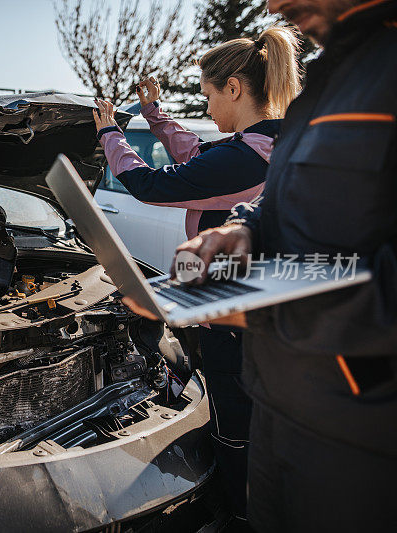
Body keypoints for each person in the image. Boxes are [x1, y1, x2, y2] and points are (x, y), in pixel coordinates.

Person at [122, 0, 397, 530]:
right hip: (279, 410)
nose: (272, 5)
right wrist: (243, 228)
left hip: (363, 444)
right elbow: (295, 196)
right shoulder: (332, 78)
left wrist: (269, 308)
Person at [91, 26, 300, 524]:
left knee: (235, 437)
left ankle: (239, 518)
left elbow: (146, 184)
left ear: (234, 88)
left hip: (235, 326)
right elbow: (198, 155)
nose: (206, 109)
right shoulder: (273, 144)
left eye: (208, 96)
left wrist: (108, 131)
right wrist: (154, 115)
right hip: (274, 320)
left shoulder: (240, 161)